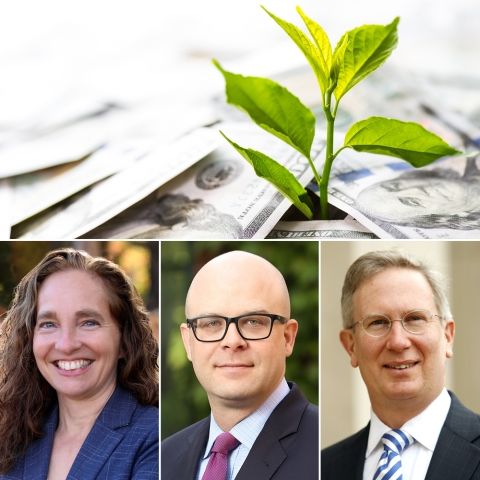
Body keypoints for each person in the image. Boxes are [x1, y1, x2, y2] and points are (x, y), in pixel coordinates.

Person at [0, 248, 159, 479]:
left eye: (89, 322)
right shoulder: (15, 439)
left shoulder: (152, 439)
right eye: (48, 324)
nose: (66, 345)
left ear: (125, 341)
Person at [321, 250, 480, 480]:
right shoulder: (324, 468)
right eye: (378, 323)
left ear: (448, 336)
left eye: (415, 319)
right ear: (351, 346)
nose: (398, 341)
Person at [161, 250, 318, 479]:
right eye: (212, 323)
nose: (232, 341)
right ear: (188, 341)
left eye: (253, 322)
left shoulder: (323, 448)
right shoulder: (166, 457)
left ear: (288, 337)